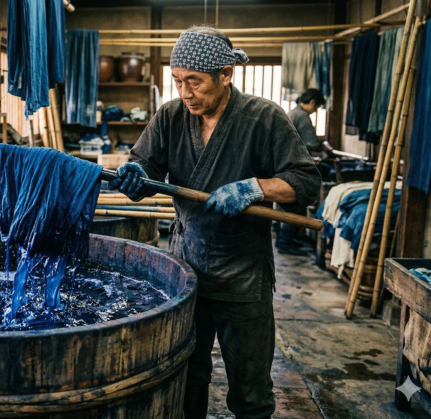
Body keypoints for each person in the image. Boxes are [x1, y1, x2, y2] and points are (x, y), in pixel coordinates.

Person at [109, 26, 321, 419]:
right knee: (187, 375)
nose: (185, 93)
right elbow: (145, 165)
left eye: (195, 82)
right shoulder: (171, 116)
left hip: (243, 275)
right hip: (185, 269)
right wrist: (134, 176)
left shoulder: (263, 118)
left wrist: (256, 187)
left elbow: (306, 182)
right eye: (177, 81)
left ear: (226, 75)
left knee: (250, 388)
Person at [277, 89, 332, 255]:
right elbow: (311, 142)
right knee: (293, 205)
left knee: (284, 206)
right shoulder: (301, 115)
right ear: (313, 103)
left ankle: (285, 239)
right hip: (292, 164)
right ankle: (285, 243)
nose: (315, 111)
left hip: (283, 163)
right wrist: (325, 147)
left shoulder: (292, 113)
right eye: (317, 108)